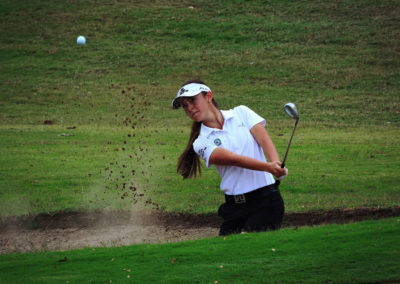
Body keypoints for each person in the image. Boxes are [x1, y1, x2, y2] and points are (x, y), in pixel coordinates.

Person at [172, 79, 288, 236]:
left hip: (265, 201)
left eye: (192, 100)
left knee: (248, 248)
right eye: (185, 105)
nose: (190, 108)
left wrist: (276, 164)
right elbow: (233, 159)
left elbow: (263, 139)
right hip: (234, 207)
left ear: (209, 96)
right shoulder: (200, 143)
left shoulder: (241, 113)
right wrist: (268, 167)